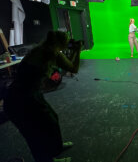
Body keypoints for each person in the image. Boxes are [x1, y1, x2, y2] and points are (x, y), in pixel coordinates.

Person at [4, 31, 82, 162]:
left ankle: (55, 149)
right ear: (60, 43)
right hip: (20, 101)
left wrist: (74, 51)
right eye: (66, 41)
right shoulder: (50, 54)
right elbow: (73, 68)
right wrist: (77, 50)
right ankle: (47, 159)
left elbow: (68, 65)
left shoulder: (41, 49)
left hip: (28, 96)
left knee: (51, 121)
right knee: (35, 134)